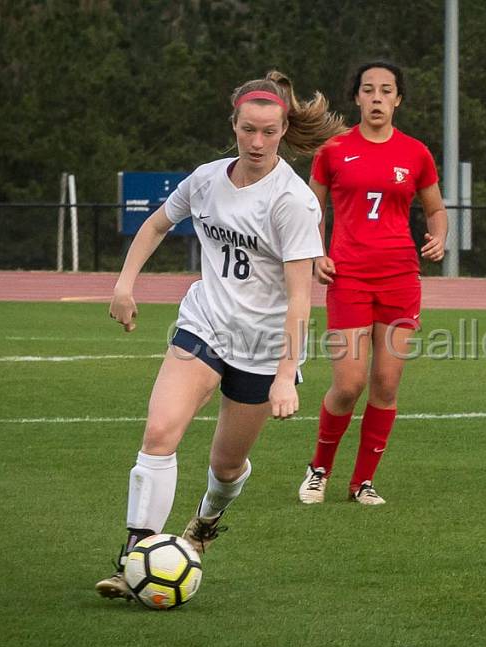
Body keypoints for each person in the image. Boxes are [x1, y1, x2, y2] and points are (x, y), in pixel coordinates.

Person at [96, 71, 346, 601]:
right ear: (232, 124)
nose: (257, 143)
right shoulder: (207, 178)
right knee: (160, 433)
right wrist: (124, 284)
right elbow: (158, 224)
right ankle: (135, 555)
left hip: (262, 347)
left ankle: (205, 523)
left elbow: (301, 297)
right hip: (204, 324)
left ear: (283, 131)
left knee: (226, 465)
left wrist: (285, 377)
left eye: (270, 132)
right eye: (248, 130)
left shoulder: (293, 202)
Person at [297, 60, 447, 506]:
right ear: (357, 97)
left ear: (398, 99)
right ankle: (318, 470)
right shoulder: (334, 150)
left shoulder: (416, 153)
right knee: (348, 383)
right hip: (348, 278)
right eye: (368, 90)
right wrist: (315, 252)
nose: (377, 97)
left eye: (386, 90)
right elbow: (310, 208)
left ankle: (362, 481)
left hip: (401, 279)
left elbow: (436, 209)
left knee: (385, 383)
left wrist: (438, 236)